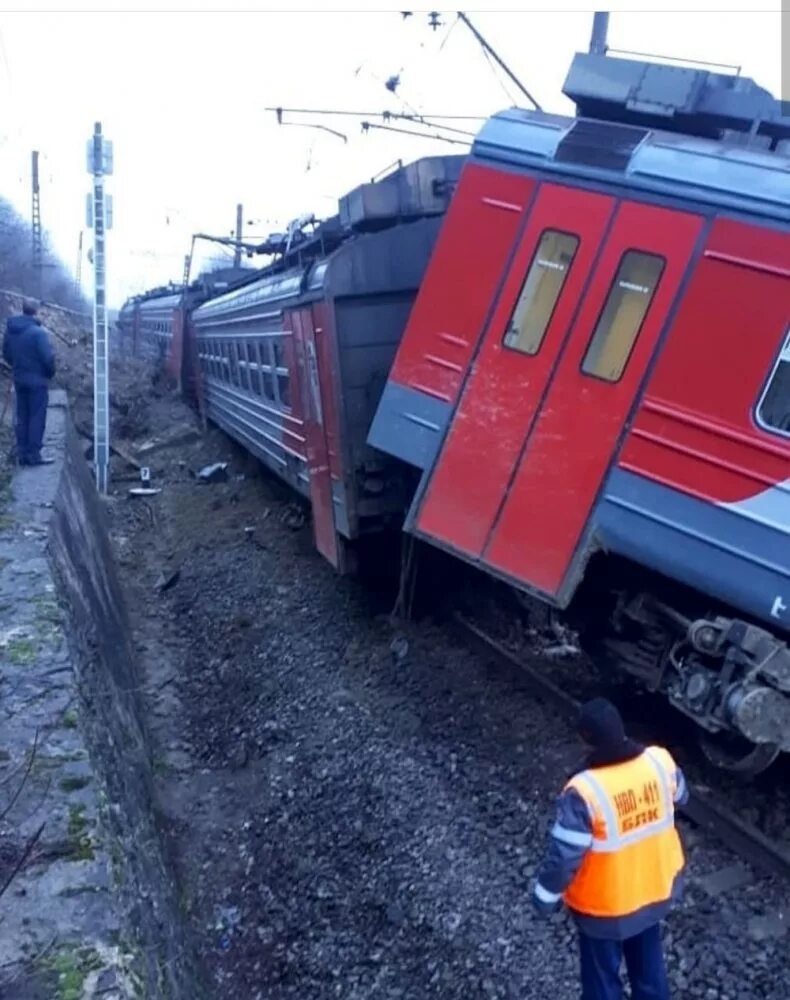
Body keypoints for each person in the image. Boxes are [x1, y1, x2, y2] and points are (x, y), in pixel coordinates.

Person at [532, 697, 688, 1000]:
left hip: (604, 908)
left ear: (586, 739)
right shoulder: (659, 761)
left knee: (601, 982)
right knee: (650, 974)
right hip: (653, 891)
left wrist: (544, 899)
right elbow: (682, 796)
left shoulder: (585, 791)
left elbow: (564, 859)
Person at [2, 299, 56, 465]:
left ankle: (22, 453)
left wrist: (17, 366)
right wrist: (49, 373)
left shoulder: (11, 330)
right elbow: (47, 358)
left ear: (23, 309)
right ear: (36, 311)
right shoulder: (38, 333)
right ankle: (34, 454)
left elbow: (6, 353)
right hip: (37, 380)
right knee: (36, 417)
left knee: (22, 416)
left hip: (19, 378)